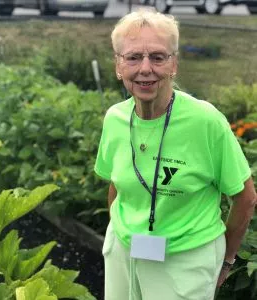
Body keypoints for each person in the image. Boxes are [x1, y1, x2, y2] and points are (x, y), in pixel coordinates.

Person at [94, 8, 257, 300]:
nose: (145, 68)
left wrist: (228, 260)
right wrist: (124, 230)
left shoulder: (205, 121)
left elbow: (245, 198)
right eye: (133, 57)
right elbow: (116, 186)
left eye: (157, 57)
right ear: (119, 66)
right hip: (124, 250)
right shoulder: (115, 118)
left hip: (185, 259)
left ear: (174, 65)